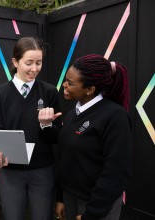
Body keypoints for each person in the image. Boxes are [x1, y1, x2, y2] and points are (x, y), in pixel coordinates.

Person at [0, 37, 62, 220]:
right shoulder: (0, 93)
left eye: (39, 63)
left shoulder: (50, 91)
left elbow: (57, 136)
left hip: (42, 170)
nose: (34, 69)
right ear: (15, 61)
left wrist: (46, 125)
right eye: (29, 63)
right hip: (10, 171)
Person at [55, 54, 132, 220]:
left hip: (97, 206)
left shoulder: (115, 117)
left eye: (70, 83)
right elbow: (66, 159)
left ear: (90, 89)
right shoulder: (70, 115)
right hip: (71, 198)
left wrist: (92, 213)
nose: (64, 85)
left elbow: (116, 173)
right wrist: (61, 197)